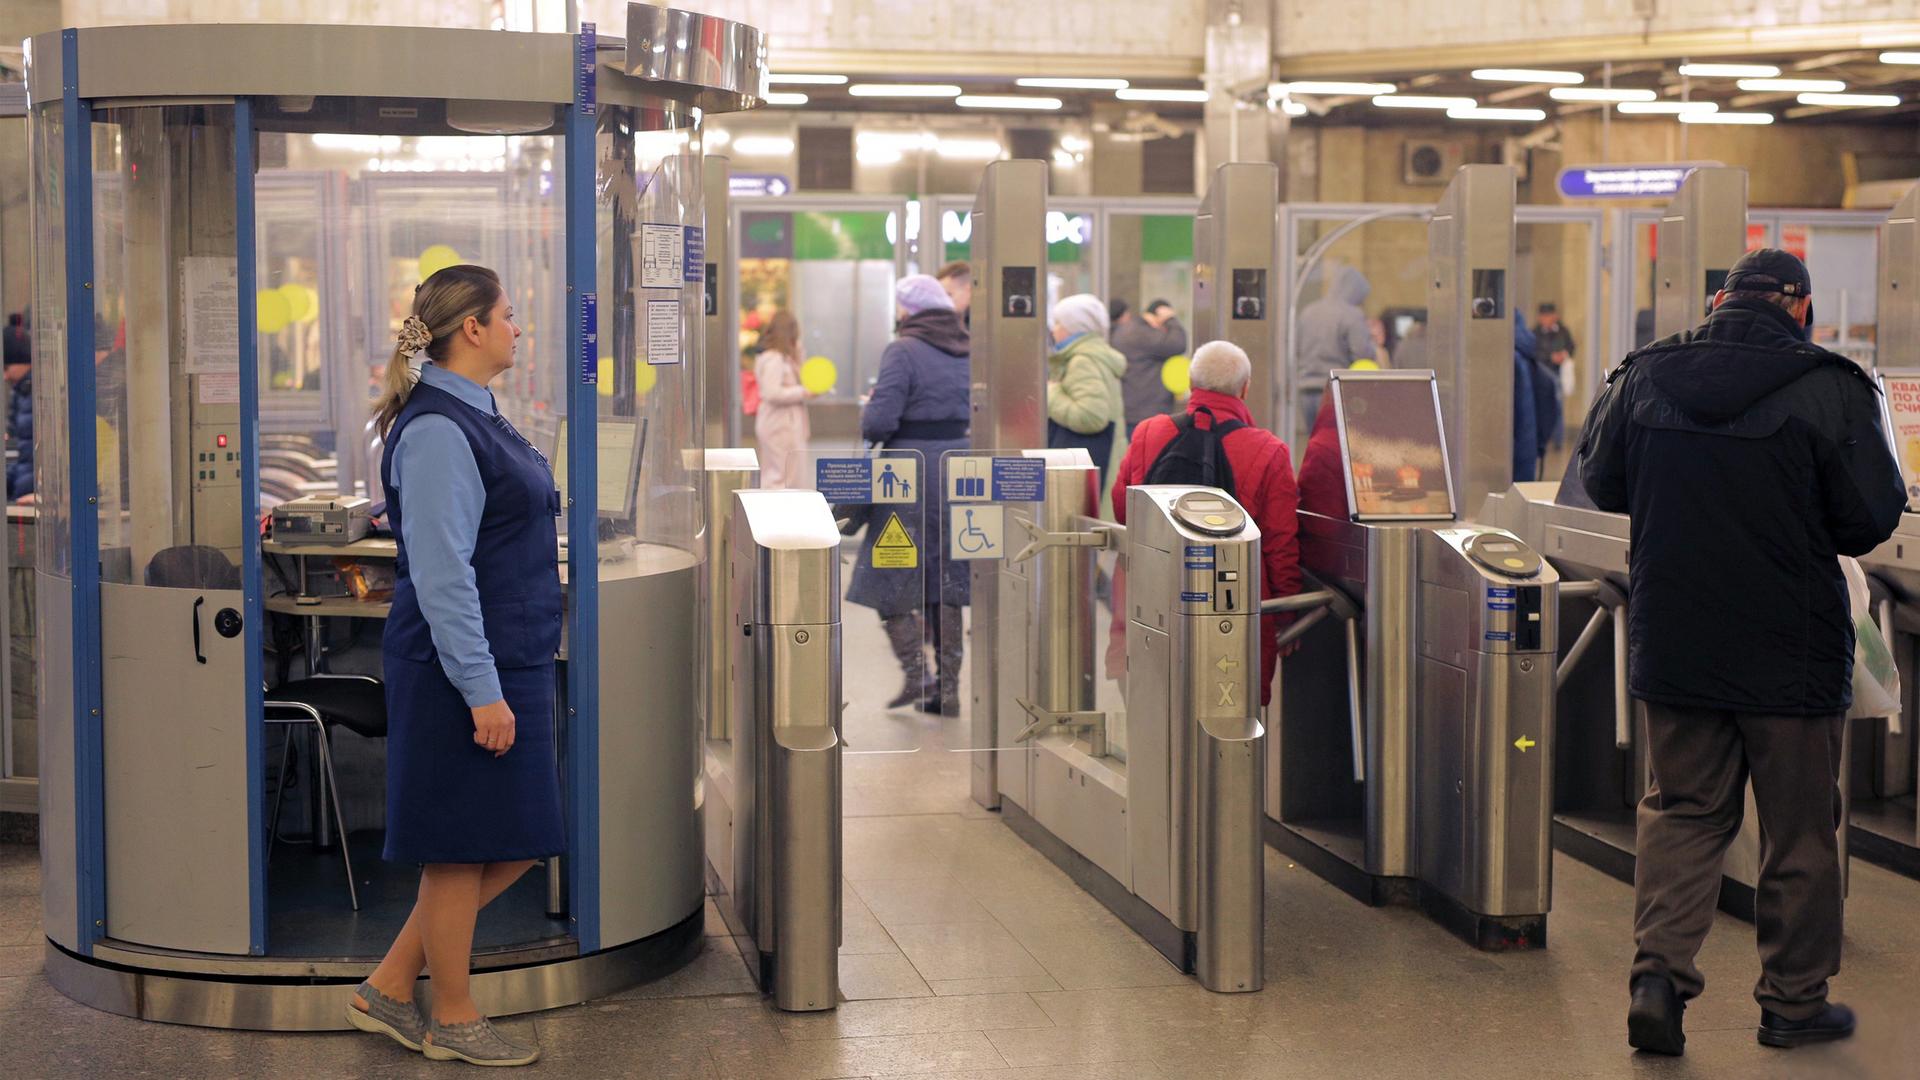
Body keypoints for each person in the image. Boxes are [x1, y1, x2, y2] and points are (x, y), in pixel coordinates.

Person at [1576, 249, 1905, 1058]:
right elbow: (1869, 518)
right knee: (1797, 829)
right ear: (1800, 309)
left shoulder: (1643, 376)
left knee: (1683, 812)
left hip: (1677, 640)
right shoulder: (1832, 386)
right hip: (1790, 649)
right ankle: (1792, 1003)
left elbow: (1602, 480)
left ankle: (1658, 979)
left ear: (1720, 300)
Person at [352, 265, 561, 1067]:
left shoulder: (477, 414)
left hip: (508, 656)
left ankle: (387, 987)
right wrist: (482, 692)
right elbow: (442, 576)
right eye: (509, 316)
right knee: (463, 848)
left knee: (513, 836)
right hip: (463, 670)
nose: (518, 329)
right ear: (471, 327)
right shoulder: (440, 427)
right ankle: (454, 1015)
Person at [1111, 340, 1302, 707]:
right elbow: (1280, 544)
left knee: (1157, 706)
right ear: (1244, 389)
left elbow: (1124, 509)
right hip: (1236, 609)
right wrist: (1286, 614)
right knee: (1230, 712)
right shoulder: (1269, 450)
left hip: (1156, 598)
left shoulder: (1150, 432)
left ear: (1191, 382)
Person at [849, 275, 970, 713]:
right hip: (960, 466)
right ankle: (951, 687)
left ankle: (918, 674)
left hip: (908, 471)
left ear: (907, 309)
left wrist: (871, 406)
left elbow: (878, 423)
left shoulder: (903, 349)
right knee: (949, 579)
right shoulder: (969, 346)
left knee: (889, 569)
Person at [1046, 294, 1125, 493]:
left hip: (1088, 461)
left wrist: (1051, 393)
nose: (1054, 330)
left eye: (1058, 324)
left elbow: (1091, 416)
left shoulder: (1082, 361)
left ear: (1074, 327)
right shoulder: (1094, 355)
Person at [1294, 266, 1373, 435]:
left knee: (1314, 442)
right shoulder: (1352, 315)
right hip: (1335, 391)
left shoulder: (1308, 311)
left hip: (1306, 389)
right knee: (1334, 446)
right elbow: (1363, 355)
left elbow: (1296, 349)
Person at [752, 311, 814, 488]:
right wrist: (802, 392)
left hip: (781, 422)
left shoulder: (781, 357)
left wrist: (799, 354)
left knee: (785, 472)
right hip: (780, 423)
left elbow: (803, 375)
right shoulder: (774, 359)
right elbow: (772, 392)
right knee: (781, 475)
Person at [1111, 297, 1188, 433]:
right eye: (1164, 325)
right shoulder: (1142, 333)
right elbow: (1177, 344)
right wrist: (1171, 320)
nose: (1164, 331)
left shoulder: (1127, 329)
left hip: (1132, 409)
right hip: (1147, 411)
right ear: (1157, 317)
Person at [5, 314, 31, 501]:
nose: (5, 376)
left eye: (6, 367)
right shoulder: (21, 392)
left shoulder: (33, 394)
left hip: (29, 495)